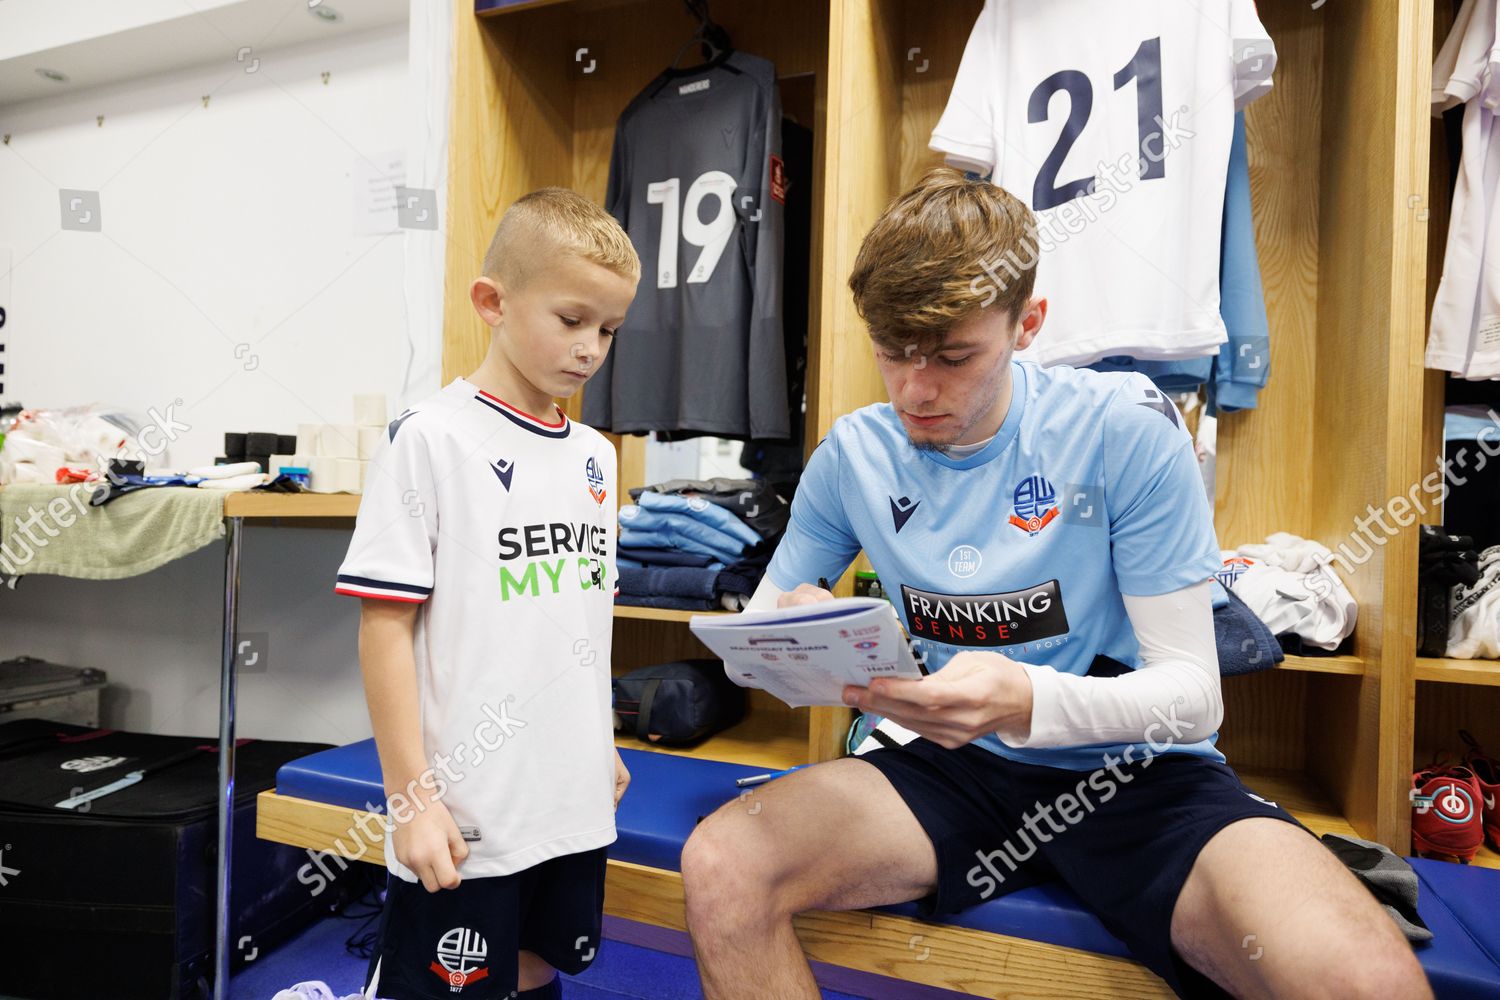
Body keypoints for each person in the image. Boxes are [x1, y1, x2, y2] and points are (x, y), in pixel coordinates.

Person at [679, 168, 1431, 999]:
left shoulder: (1124, 429)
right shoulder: (853, 454)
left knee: (1365, 981)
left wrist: (1026, 701)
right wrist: (798, 631)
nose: (915, 389)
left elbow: (1192, 697)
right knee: (722, 862)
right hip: (953, 765)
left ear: (1027, 323)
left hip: (1135, 772)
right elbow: (749, 640)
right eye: (892, 353)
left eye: (954, 355)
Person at [334, 187, 639, 1000]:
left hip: (567, 796)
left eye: (608, 330)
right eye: (572, 319)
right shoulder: (428, 438)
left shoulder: (597, 458)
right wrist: (412, 800)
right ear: (491, 302)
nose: (590, 349)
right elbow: (384, 630)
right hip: (467, 806)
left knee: (540, 968)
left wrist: (596, 736)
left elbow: (584, 622)